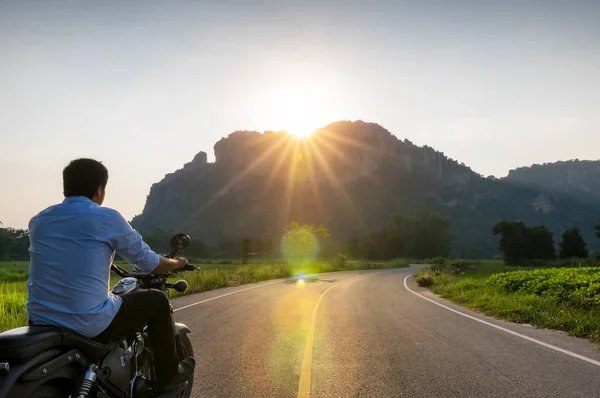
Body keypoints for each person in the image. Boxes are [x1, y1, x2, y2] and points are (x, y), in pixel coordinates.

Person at [25, 158, 195, 396]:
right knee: (157, 300)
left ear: (66, 188)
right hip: (88, 322)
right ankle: (169, 377)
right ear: (99, 190)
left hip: (40, 320)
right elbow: (149, 261)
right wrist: (177, 263)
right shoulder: (106, 218)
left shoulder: (39, 220)